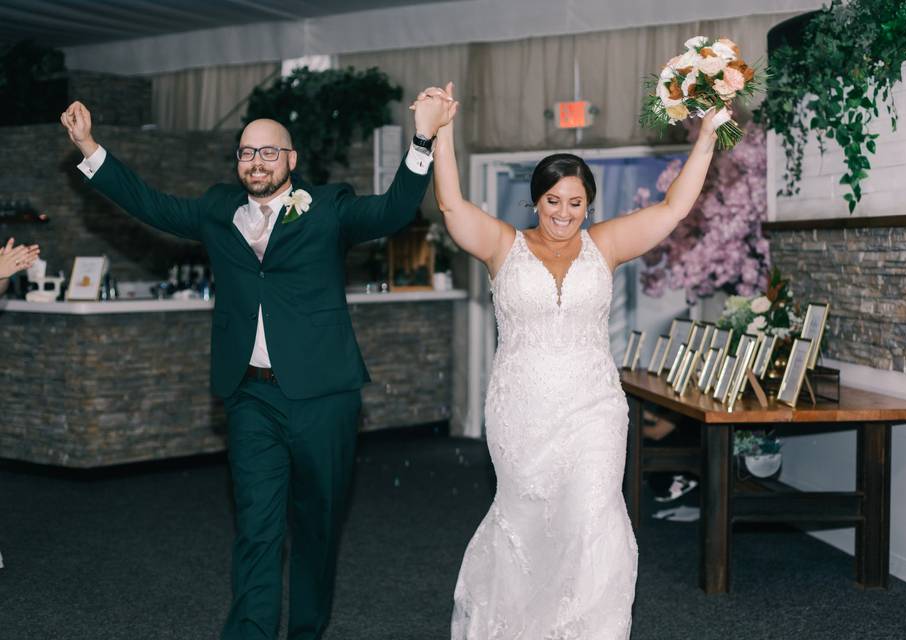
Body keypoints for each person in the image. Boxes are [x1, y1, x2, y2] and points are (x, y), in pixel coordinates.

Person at [60, 95, 455, 639]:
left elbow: (392, 211)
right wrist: (88, 148)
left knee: (316, 528)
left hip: (324, 396)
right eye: (247, 152)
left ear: (291, 160)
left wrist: (422, 141)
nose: (257, 161)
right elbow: (149, 203)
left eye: (270, 151)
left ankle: (306, 632)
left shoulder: (328, 206)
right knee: (257, 526)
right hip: (250, 396)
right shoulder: (218, 208)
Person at [413, 82, 719, 639]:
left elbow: (674, 208)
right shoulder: (502, 245)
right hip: (521, 411)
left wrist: (707, 136)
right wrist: (445, 131)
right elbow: (452, 204)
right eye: (553, 201)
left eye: (575, 203)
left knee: (593, 519)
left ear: (588, 204)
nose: (563, 213)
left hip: (593, 408)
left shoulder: (605, 245)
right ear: (536, 201)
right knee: (527, 524)